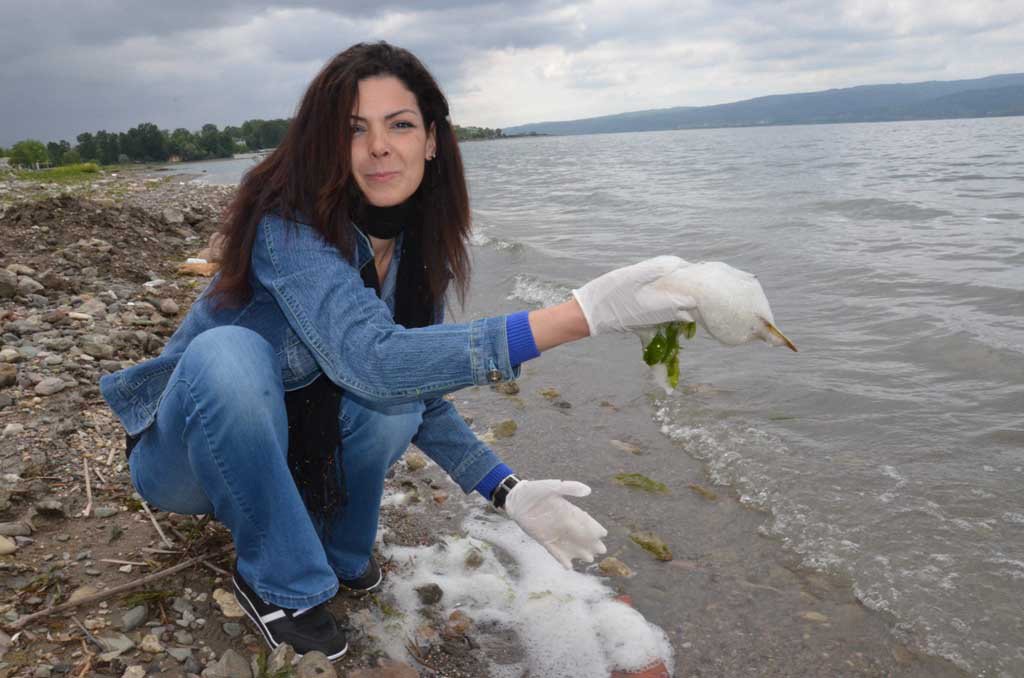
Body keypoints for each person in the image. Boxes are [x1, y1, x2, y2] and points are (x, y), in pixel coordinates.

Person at [99, 42, 694, 660]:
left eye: (400, 124)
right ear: (328, 146)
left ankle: (335, 550)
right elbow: (373, 359)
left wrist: (506, 488)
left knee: (398, 405)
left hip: (288, 451)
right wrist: (583, 315)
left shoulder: (414, 251)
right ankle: (278, 580)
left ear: (431, 139)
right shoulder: (287, 226)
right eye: (354, 130)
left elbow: (418, 390)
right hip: (186, 457)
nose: (379, 146)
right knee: (229, 355)